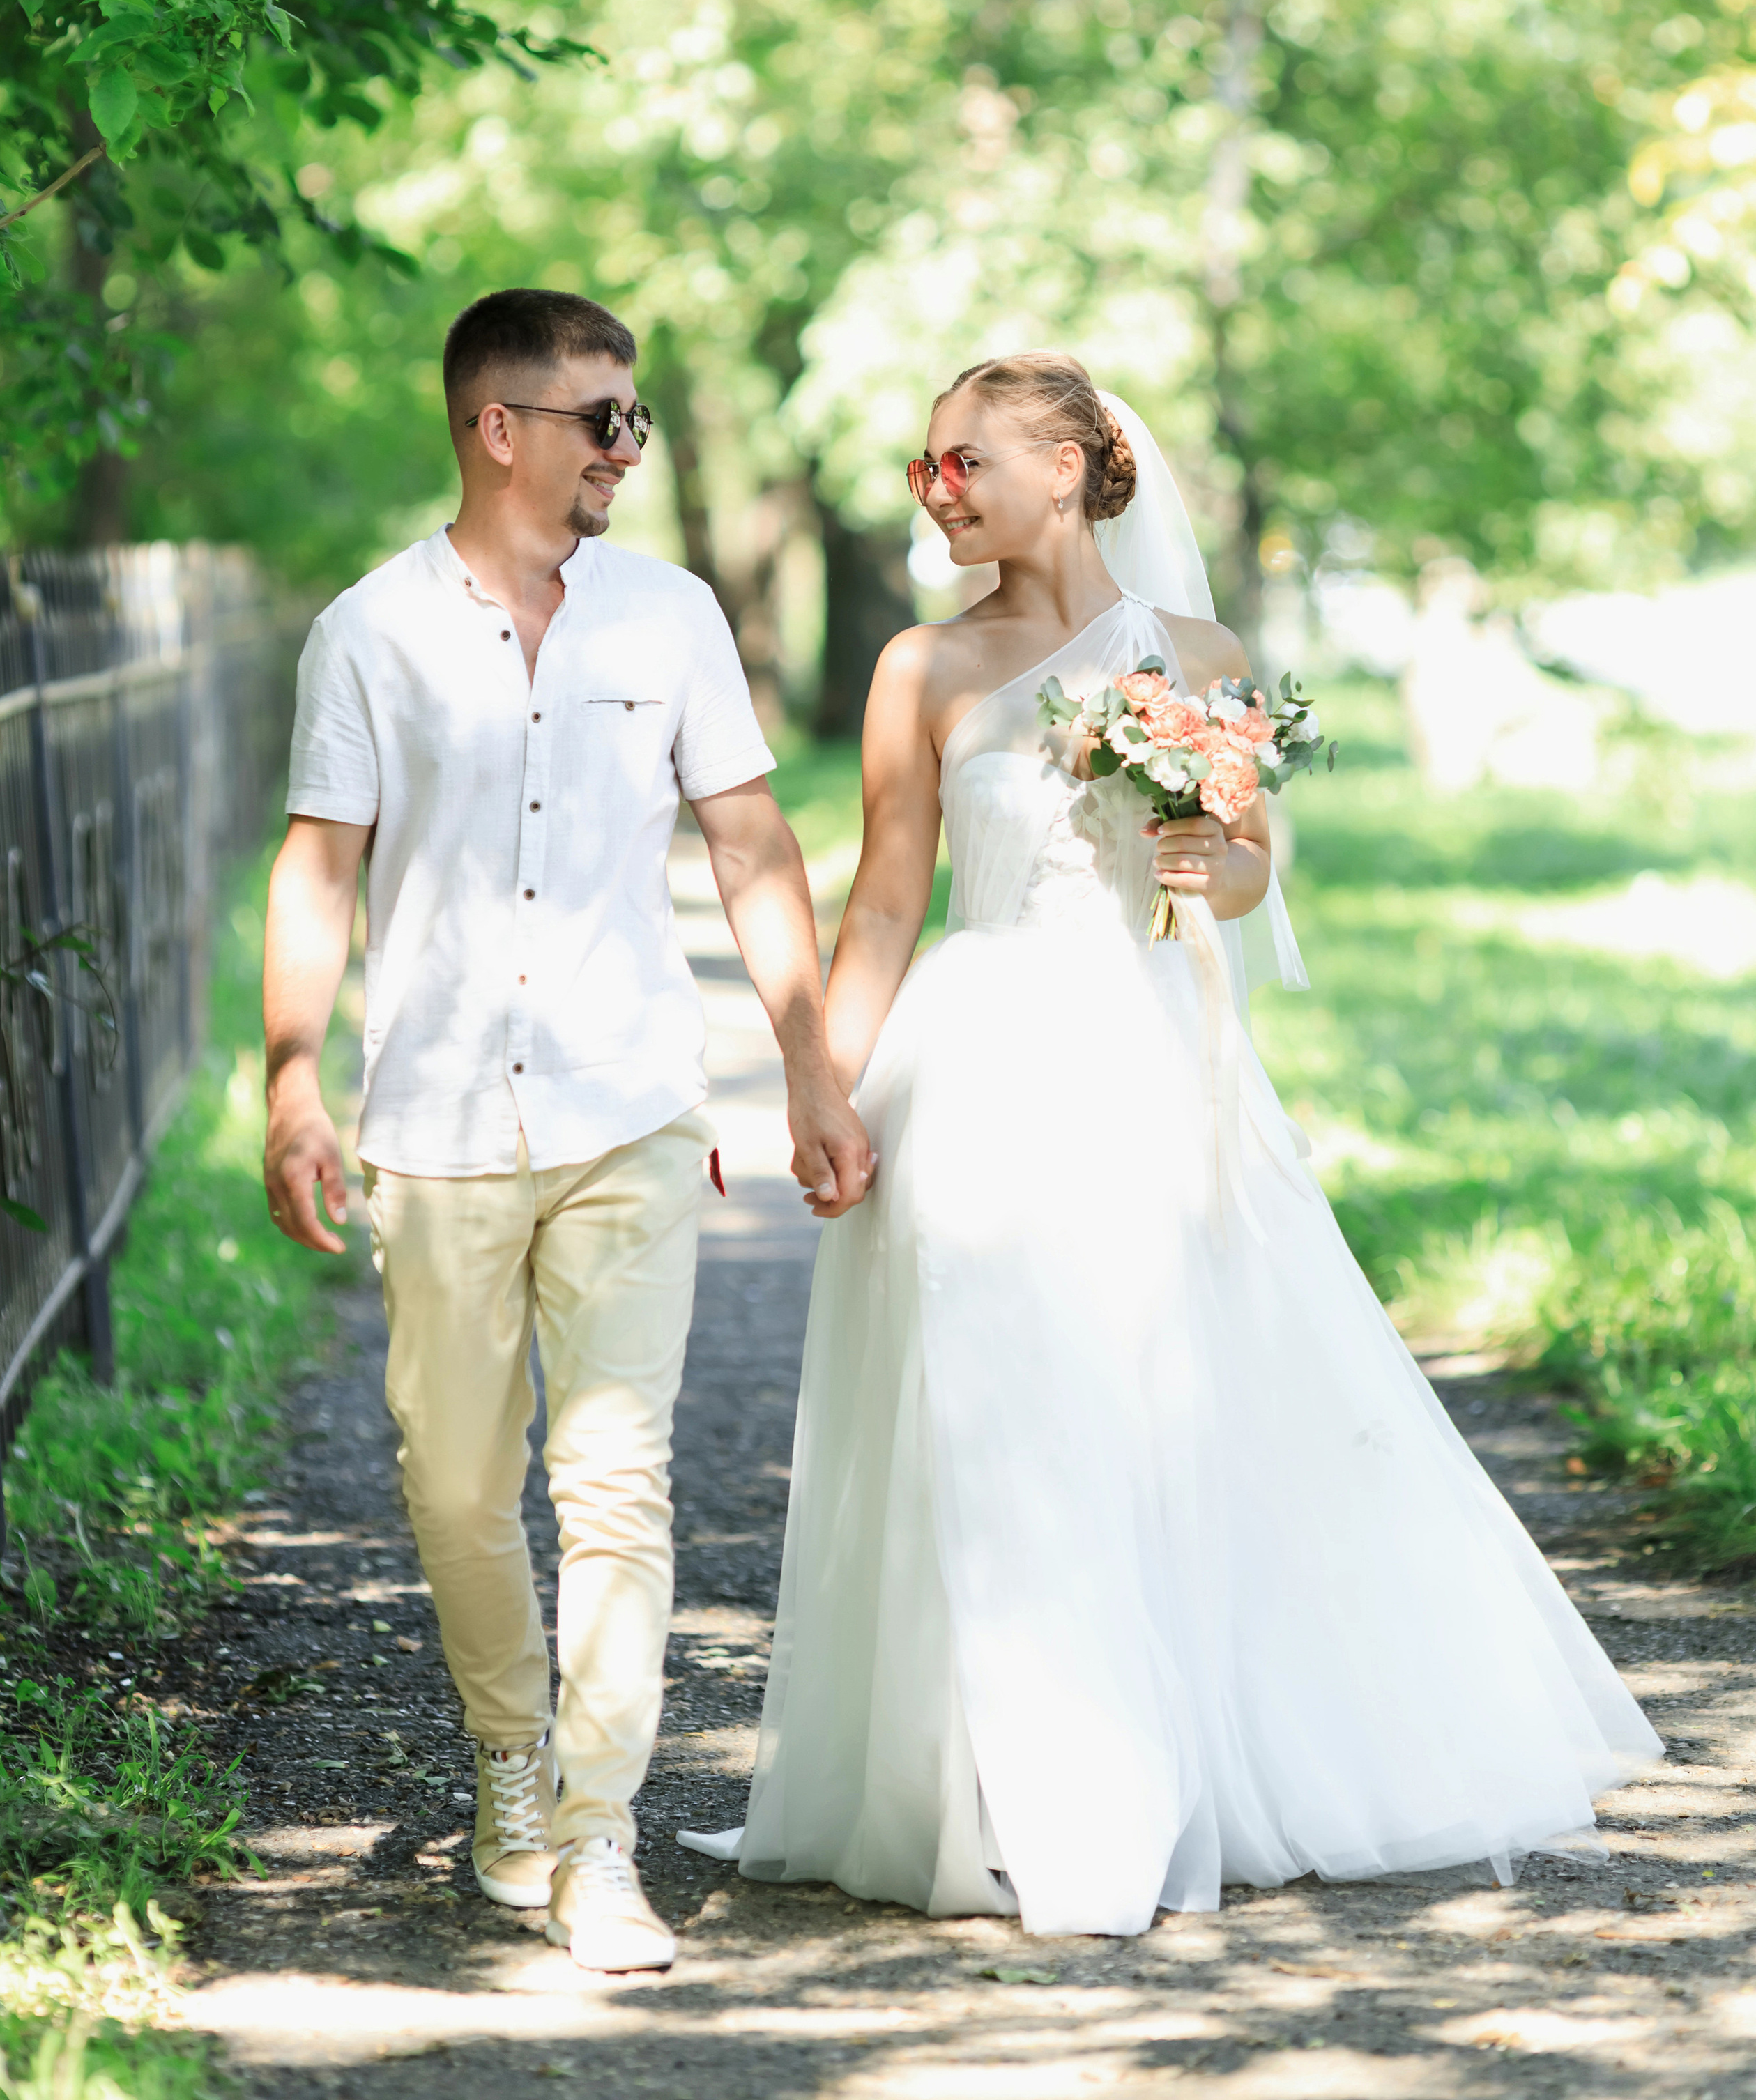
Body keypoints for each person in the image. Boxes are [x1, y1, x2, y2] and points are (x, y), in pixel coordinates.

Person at [684, 351, 1658, 1938]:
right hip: (982, 1056)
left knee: (1153, 1393)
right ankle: (1009, 1790)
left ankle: (1161, 1763)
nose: (936, 489)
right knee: (993, 1400)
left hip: (1148, 1059)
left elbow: (1255, 867)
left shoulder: (1196, 656)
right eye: (926, 465)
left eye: (964, 460)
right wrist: (821, 1089)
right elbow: (885, 895)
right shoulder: (919, 666)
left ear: (1067, 470)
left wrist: (1216, 856)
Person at [261, 287, 871, 1974]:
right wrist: (291, 1079)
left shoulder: (670, 616)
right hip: (439, 1119)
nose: (625, 448)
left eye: (634, 418)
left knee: (615, 1484)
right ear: (495, 427)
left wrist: (809, 1066)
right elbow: (320, 865)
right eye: (600, 419)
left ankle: (598, 1834)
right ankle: (507, 1766)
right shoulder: (370, 631)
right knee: (457, 1484)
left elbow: (750, 842)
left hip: (628, 1105)